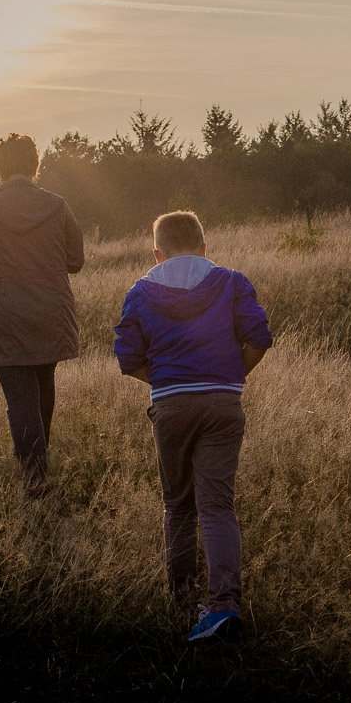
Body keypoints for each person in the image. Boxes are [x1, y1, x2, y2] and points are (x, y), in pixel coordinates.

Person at [113, 211, 272, 641]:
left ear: (156, 252)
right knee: (218, 506)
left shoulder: (141, 291)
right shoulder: (231, 281)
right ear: (205, 247)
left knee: (178, 506)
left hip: (170, 406)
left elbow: (127, 358)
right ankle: (224, 606)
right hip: (224, 403)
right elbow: (260, 336)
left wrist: (166, 381)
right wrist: (232, 375)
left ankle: (184, 602)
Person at [0, 133, 85, 494]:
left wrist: (1, 275)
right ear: (36, 165)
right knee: (44, 384)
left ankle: (34, 474)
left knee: (19, 395)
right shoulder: (58, 206)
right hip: (50, 307)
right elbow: (75, 261)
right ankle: (37, 467)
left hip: (3, 311)